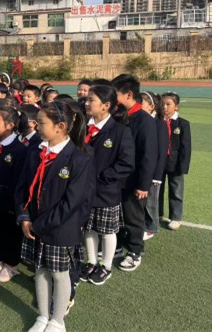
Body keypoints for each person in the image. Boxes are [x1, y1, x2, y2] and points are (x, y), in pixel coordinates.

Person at [16, 100, 94, 332]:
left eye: (41, 123)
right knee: (40, 270)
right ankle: (42, 316)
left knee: (60, 275)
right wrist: (24, 217)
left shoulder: (79, 160)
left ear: (60, 127)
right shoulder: (35, 152)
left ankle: (58, 320)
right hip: (34, 224)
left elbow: (72, 203)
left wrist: (39, 225)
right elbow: (22, 188)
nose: (36, 126)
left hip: (60, 228)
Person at [81, 85, 135, 285]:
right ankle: (91, 262)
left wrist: (103, 176)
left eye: (91, 100)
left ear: (106, 105)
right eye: (87, 99)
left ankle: (106, 266)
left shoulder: (120, 131)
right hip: (84, 190)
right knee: (88, 228)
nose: (86, 103)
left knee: (107, 230)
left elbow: (126, 163)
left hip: (106, 190)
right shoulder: (83, 127)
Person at [111, 74, 158, 271]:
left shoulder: (144, 120)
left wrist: (143, 185)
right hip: (117, 177)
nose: (112, 100)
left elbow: (149, 155)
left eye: (115, 95)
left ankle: (135, 251)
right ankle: (118, 246)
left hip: (133, 179)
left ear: (129, 94)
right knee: (117, 215)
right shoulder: (120, 116)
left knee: (133, 216)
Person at [0, 107, 28, 283]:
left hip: (11, 198)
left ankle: (11, 264)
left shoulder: (19, 149)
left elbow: (20, 179)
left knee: (12, 231)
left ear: (10, 125)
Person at [160, 91, 192, 231]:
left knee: (176, 190)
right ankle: (157, 213)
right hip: (159, 163)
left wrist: (183, 166)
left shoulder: (182, 123)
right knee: (157, 189)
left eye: (168, 104)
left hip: (175, 163)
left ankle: (176, 217)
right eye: (162, 104)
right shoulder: (156, 122)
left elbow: (186, 147)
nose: (165, 107)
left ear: (176, 106)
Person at [140, 91, 169, 240]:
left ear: (152, 107)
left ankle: (151, 227)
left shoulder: (159, 124)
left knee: (151, 201)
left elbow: (161, 152)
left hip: (153, 172)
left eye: (141, 103)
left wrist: (157, 176)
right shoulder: (141, 121)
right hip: (142, 169)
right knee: (141, 201)